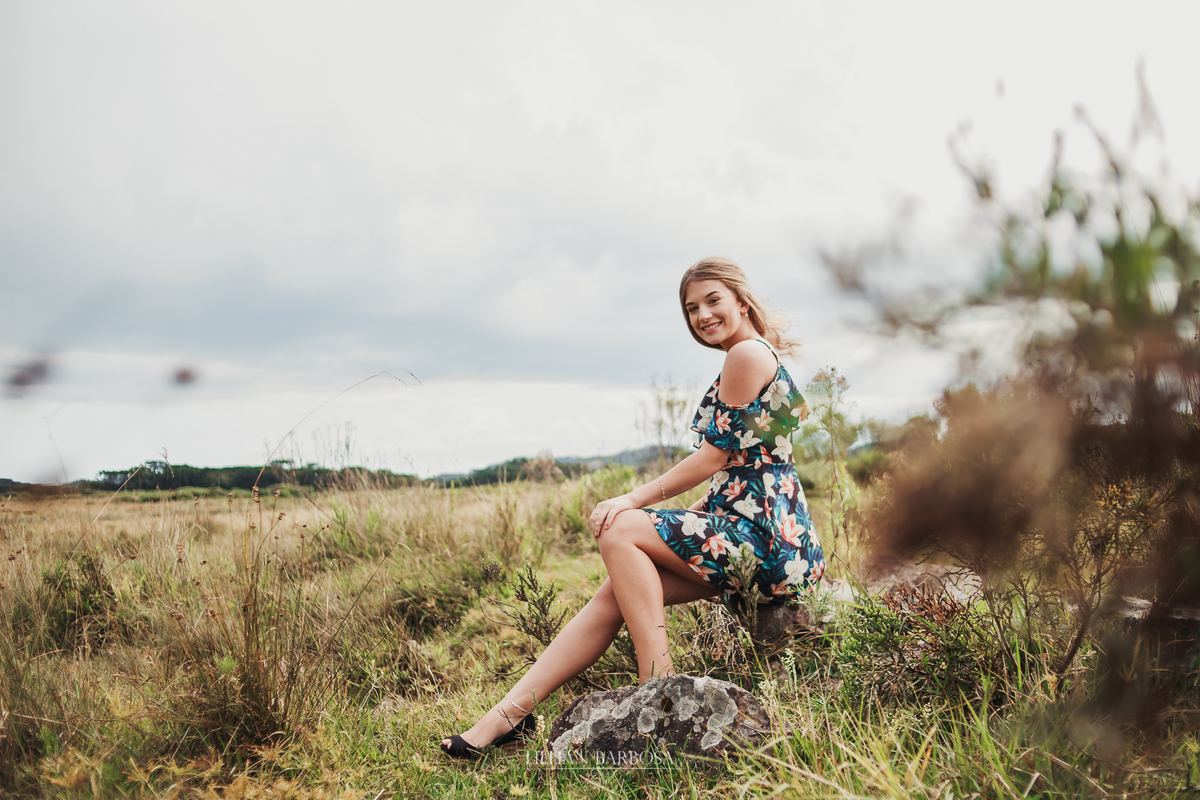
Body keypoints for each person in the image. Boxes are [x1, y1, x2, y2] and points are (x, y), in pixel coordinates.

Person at [440, 256, 825, 758]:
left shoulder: (747, 354)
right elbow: (737, 464)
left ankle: (657, 690)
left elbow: (715, 456)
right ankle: (507, 716)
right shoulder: (749, 355)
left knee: (620, 527)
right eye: (692, 308)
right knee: (614, 595)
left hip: (765, 540)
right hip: (768, 537)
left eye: (713, 301)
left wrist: (630, 498)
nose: (703, 315)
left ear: (741, 301)